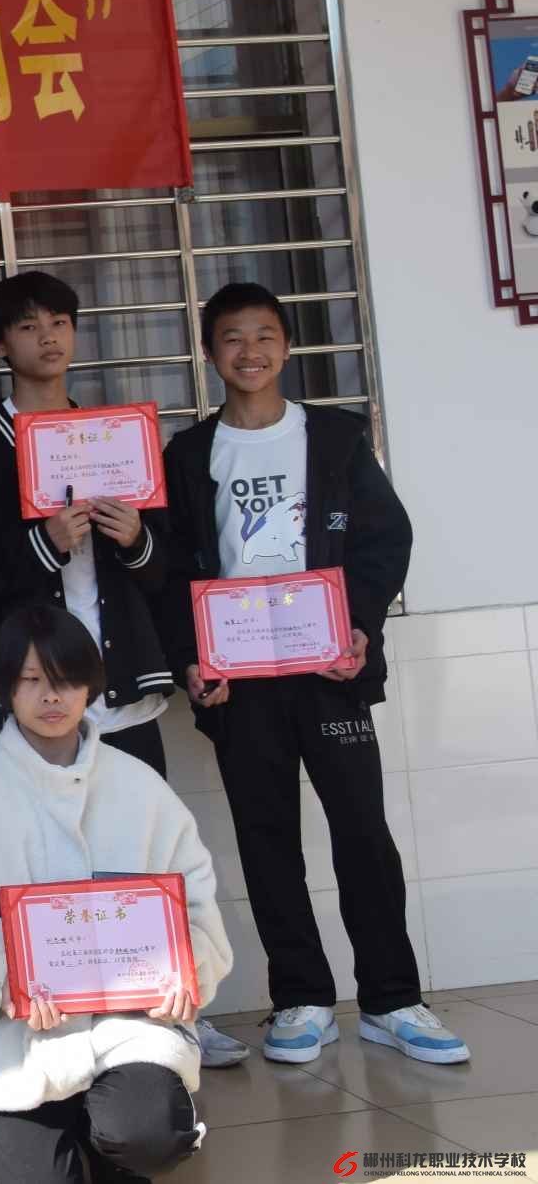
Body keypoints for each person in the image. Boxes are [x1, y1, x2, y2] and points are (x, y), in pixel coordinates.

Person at [0, 272, 248, 1070]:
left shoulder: (115, 436)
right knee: (40, 858)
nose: (48, 337)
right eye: (27, 325)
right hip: (36, 692)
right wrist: (44, 543)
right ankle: (61, 1004)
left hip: (121, 681)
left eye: (60, 322)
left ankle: (174, 999)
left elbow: (166, 565)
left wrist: (135, 537)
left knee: (142, 848)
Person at [160, 282, 463, 1067]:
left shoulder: (333, 437)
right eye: (233, 338)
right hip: (241, 682)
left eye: (265, 335)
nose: (251, 351)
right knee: (266, 840)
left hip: (328, 668)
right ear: (210, 352)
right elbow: (173, 571)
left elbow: (384, 539)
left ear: (287, 347)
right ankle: (301, 998)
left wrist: (358, 626)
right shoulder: (188, 455)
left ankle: (392, 999)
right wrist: (191, 658)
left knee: (362, 832)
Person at [0, 606, 232, 1184]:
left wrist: (186, 972)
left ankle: (124, 1130)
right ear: (6, 687)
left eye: (65, 679)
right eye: (32, 679)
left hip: (132, 1022)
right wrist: (11, 977)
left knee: (147, 1136)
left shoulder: (140, 785)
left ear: (91, 684)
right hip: (18, 1031)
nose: (51, 697)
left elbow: (196, 906)